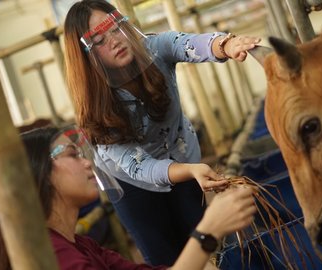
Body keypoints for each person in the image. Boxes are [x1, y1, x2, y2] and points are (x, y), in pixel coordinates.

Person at [62, 0, 261, 265]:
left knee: (206, 241)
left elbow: (185, 43)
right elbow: (139, 166)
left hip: (181, 155)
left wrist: (225, 45)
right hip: (132, 185)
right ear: (85, 55)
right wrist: (191, 171)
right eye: (98, 40)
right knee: (163, 257)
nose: (114, 41)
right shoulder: (95, 108)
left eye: (115, 28)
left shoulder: (153, 51)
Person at [0, 126, 257, 270]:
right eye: (72, 155)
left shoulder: (81, 245)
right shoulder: (50, 256)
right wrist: (207, 233)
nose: (86, 164)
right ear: (39, 173)